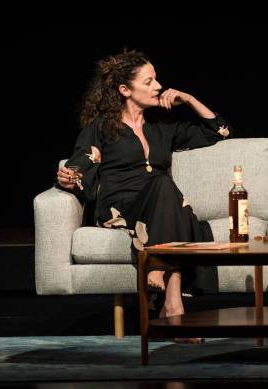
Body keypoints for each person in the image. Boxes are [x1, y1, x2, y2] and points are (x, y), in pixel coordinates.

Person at [56, 50, 233, 330]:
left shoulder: (162, 130)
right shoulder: (101, 128)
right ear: (125, 90)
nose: (158, 86)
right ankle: (172, 302)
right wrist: (68, 177)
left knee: (171, 197)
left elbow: (219, 130)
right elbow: (80, 164)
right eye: (149, 81)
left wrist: (188, 98)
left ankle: (170, 296)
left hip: (160, 206)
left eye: (157, 80)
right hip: (121, 208)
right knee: (172, 195)